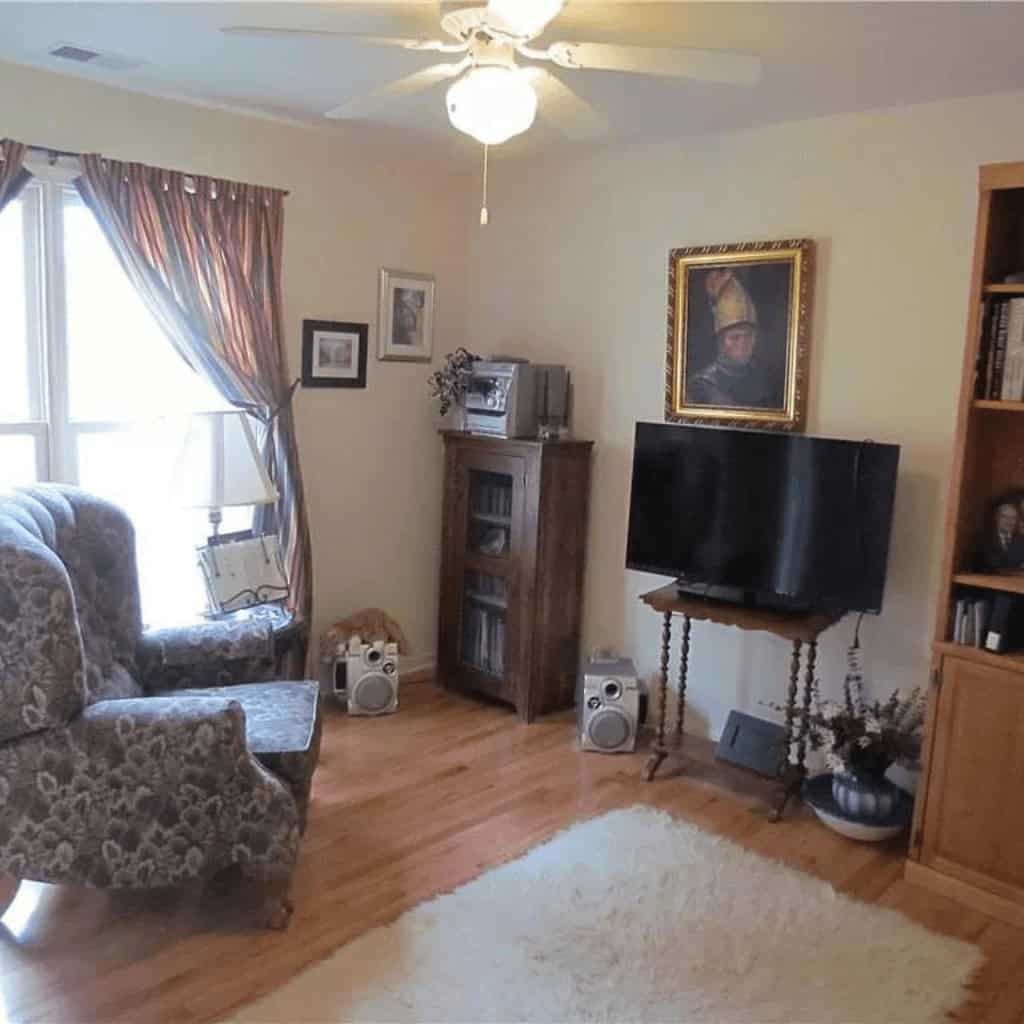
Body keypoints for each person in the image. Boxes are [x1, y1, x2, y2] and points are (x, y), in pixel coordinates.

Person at [687, 268, 779, 409]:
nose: (743, 344)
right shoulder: (700, 386)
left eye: (748, 336)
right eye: (735, 337)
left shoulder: (763, 380)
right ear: (721, 341)